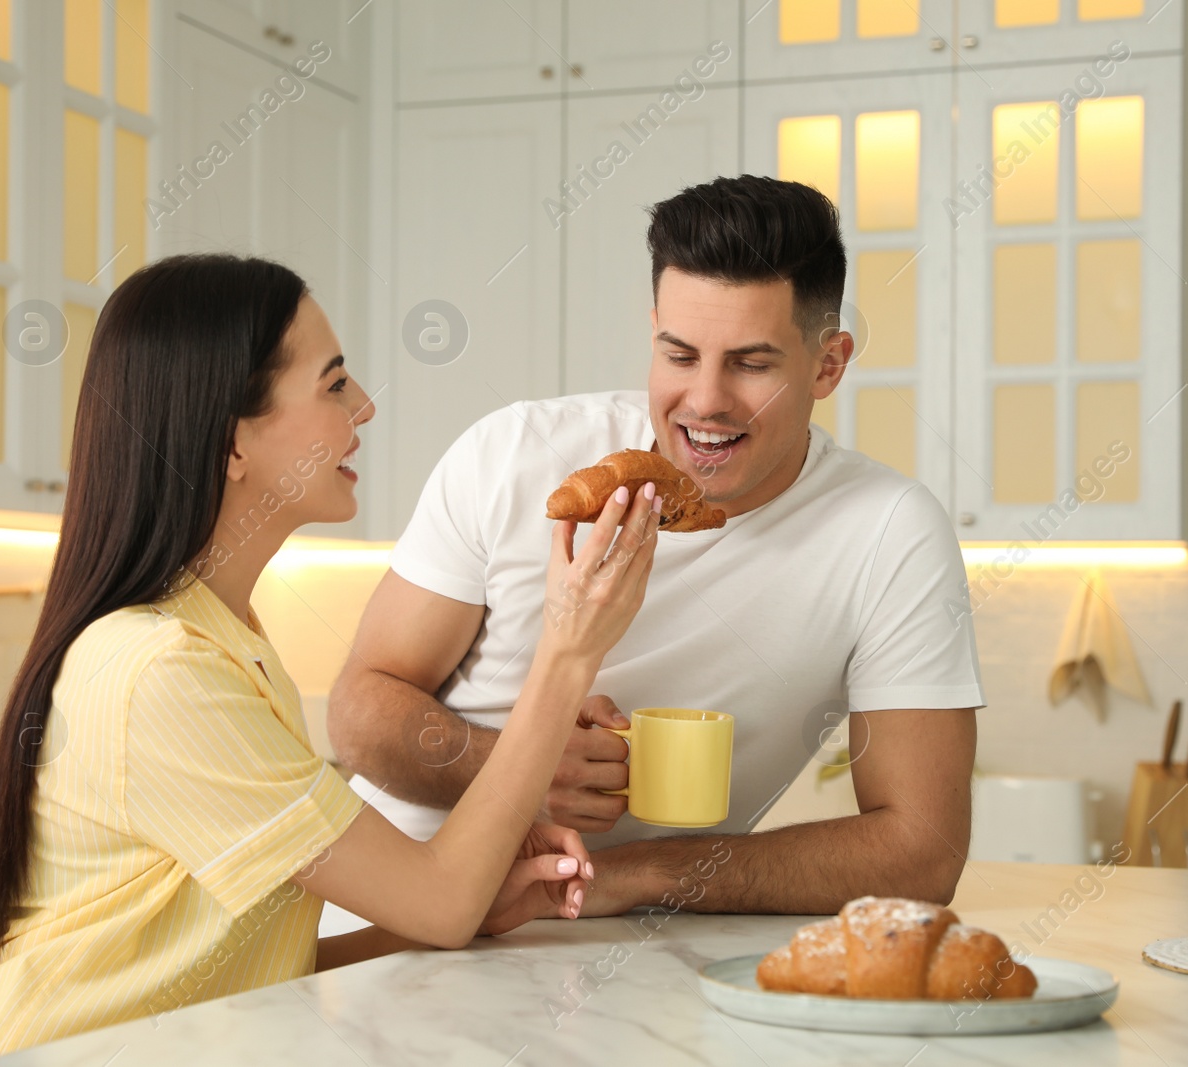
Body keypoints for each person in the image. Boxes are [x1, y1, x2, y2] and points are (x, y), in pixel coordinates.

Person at [0, 254, 658, 1064]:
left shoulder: (225, 640)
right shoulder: (161, 672)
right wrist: (569, 646)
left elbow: (244, 971)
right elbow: (437, 897)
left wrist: (474, 909)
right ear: (234, 440)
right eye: (334, 385)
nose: (364, 406)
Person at [328, 175, 986, 918]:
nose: (705, 400)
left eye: (752, 363)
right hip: (380, 924)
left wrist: (638, 875)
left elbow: (923, 848)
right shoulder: (514, 456)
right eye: (679, 355)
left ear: (828, 364)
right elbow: (357, 713)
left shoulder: (889, 532)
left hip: (631, 953)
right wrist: (516, 766)